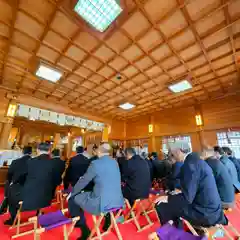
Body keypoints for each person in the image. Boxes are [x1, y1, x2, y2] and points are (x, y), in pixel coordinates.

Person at [155, 141, 227, 228]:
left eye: (172, 153)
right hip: (214, 209)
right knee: (175, 200)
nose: (171, 155)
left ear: (178, 151)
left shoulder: (190, 165)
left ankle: (172, 234)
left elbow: (187, 198)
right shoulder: (195, 161)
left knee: (161, 204)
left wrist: (168, 198)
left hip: (204, 213)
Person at [68, 143, 124, 240]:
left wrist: (72, 193)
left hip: (102, 202)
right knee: (95, 192)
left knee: (73, 199)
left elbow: (84, 180)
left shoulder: (95, 163)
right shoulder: (114, 162)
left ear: (98, 151)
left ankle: (84, 230)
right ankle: (107, 221)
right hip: (117, 200)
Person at [20, 143, 59, 215]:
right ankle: (39, 213)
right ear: (49, 151)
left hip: (29, 194)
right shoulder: (53, 163)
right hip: (46, 195)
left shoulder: (30, 161)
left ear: (37, 150)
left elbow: (23, 176)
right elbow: (56, 180)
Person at [2, 146, 32, 224]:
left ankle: (13, 217)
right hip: (32, 189)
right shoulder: (35, 162)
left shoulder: (15, 162)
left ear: (22, 152)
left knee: (10, 190)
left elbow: (9, 176)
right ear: (31, 153)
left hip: (18, 190)